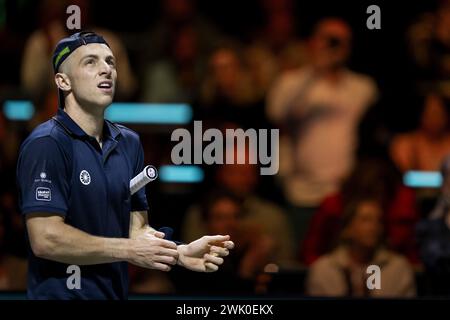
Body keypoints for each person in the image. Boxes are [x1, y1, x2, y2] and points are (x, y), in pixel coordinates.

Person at [16, 31, 234, 300]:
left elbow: (136, 231)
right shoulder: (47, 143)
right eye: (91, 62)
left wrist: (178, 252)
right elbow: (45, 238)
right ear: (63, 81)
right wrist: (127, 249)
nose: (106, 69)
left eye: (110, 62)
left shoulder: (129, 143)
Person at [306, 198, 416, 298]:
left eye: (378, 221)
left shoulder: (397, 268)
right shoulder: (324, 269)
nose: (373, 227)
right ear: (347, 229)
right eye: (366, 220)